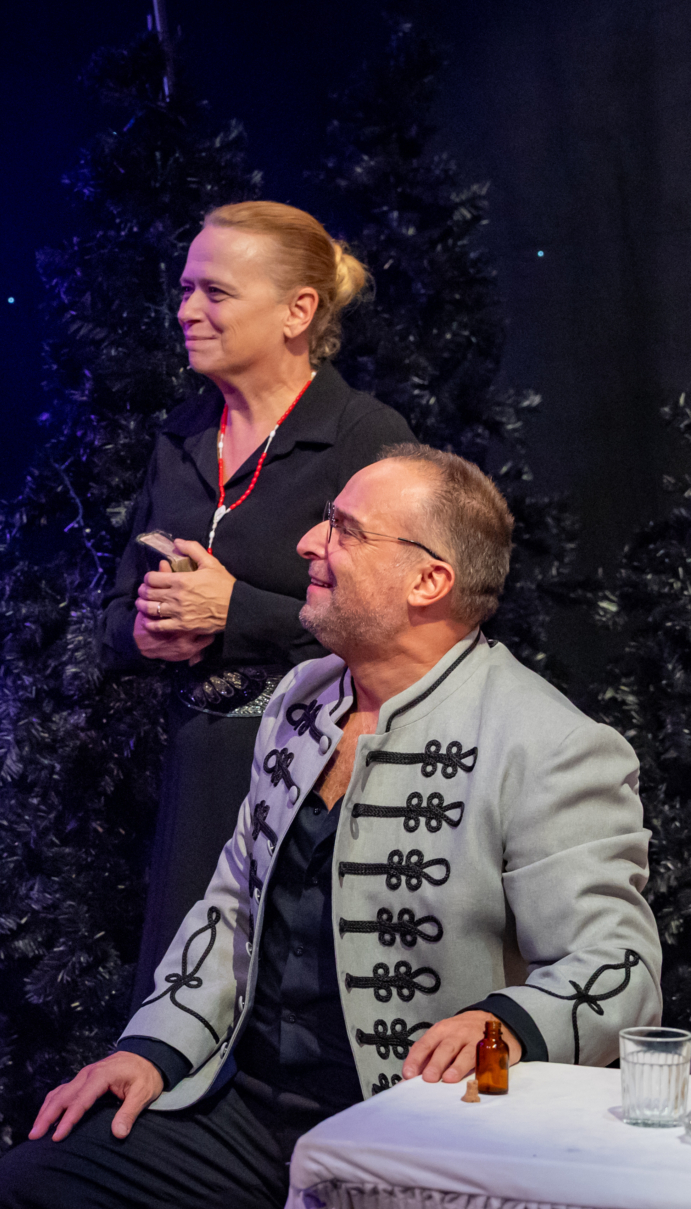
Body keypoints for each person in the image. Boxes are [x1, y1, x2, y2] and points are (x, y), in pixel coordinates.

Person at [0, 445, 663, 1209]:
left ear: (429, 581)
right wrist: (153, 1049)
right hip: (247, 1113)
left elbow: (618, 965)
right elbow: (231, 906)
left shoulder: (549, 743)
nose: (308, 542)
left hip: (406, 1130)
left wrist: (504, 1025)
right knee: (33, 1194)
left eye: (345, 529)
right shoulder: (304, 700)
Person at [103, 201, 415, 1004]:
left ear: (297, 311)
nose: (186, 311)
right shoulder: (179, 437)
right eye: (185, 289)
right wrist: (145, 632)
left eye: (215, 292)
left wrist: (234, 611)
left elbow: (400, 628)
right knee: (182, 1009)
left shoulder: (362, 437)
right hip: (196, 771)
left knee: (284, 1012)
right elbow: (112, 612)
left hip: (312, 776)